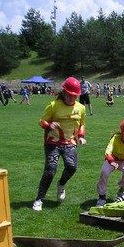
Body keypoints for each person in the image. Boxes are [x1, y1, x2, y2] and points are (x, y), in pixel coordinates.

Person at [32, 77, 86, 211]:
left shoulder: (81, 108)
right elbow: (42, 121)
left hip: (70, 143)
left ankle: (61, 184)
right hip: (53, 142)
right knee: (50, 170)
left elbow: (82, 124)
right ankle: (39, 199)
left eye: (75, 96)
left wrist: (81, 136)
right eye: (69, 95)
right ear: (64, 92)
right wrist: (49, 125)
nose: (72, 98)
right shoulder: (53, 106)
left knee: (72, 167)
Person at [95, 117, 124, 207]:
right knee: (104, 171)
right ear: (122, 132)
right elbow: (108, 150)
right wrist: (111, 161)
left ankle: (121, 190)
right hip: (112, 159)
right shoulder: (116, 138)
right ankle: (101, 196)